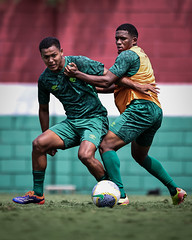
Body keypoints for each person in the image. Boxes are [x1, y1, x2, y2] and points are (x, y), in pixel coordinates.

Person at [12, 36, 155, 205]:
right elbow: (43, 109)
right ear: (41, 57)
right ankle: (37, 195)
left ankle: (112, 188)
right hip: (72, 122)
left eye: (54, 55)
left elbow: (110, 77)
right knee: (38, 144)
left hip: (95, 119)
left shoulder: (79, 62)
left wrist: (136, 86)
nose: (50, 60)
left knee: (85, 155)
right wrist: (46, 136)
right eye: (46, 57)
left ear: (61, 52)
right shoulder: (44, 80)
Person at [64, 23, 187, 205]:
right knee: (140, 156)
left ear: (134, 40)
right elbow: (113, 86)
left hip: (140, 108)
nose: (119, 42)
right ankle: (175, 190)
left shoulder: (128, 55)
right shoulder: (140, 54)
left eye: (123, 39)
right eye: (117, 39)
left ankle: (120, 195)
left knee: (106, 145)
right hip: (154, 111)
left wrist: (77, 74)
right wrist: (87, 87)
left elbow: (107, 80)